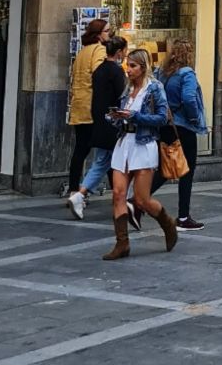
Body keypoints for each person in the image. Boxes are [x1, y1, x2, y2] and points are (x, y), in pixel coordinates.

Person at [103, 47, 177, 260]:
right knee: (118, 193)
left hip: (143, 144)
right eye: (127, 65)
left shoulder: (154, 88)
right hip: (124, 142)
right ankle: (122, 243)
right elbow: (125, 115)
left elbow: (161, 118)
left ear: (143, 67)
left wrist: (135, 116)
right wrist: (116, 117)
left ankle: (167, 223)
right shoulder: (127, 89)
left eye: (133, 66)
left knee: (142, 200)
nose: (128, 69)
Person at [67, 34, 126, 220]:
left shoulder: (99, 70)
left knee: (103, 161)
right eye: (125, 51)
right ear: (118, 53)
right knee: (105, 162)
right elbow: (121, 97)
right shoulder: (116, 72)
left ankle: (117, 198)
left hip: (100, 121)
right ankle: (81, 194)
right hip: (112, 123)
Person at [161, 39, 207, 232]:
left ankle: (137, 200)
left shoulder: (164, 74)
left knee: (166, 167)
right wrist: (195, 119)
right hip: (183, 127)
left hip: (166, 125)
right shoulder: (186, 73)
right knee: (186, 171)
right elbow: (188, 98)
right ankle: (183, 216)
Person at [66, 17, 108, 194]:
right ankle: (82, 190)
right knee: (106, 150)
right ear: (99, 35)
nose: (109, 35)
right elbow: (100, 75)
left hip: (79, 105)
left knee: (80, 149)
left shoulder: (82, 52)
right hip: (91, 106)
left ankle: (74, 188)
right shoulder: (99, 50)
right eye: (107, 31)